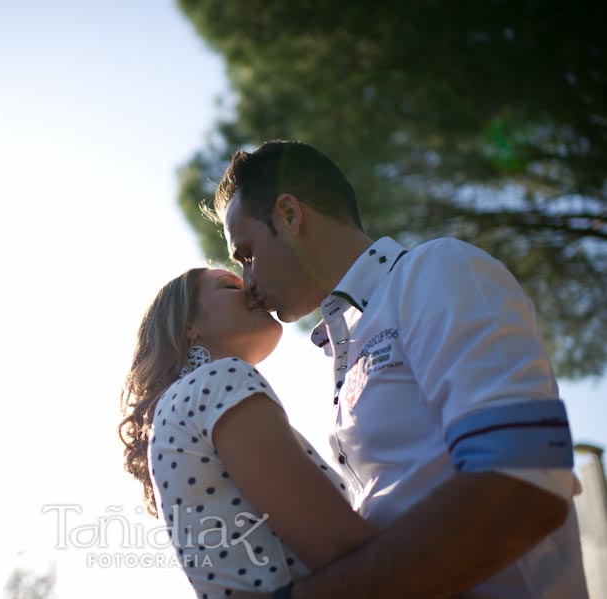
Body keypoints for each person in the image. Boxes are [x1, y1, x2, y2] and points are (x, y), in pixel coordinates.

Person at [212, 141, 588, 598]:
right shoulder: (343, 350)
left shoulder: (439, 270)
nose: (247, 282)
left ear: (290, 215)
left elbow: (523, 485)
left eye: (247, 254)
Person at [119, 267, 378, 598]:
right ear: (188, 326)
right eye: (229, 285)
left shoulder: (180, 406)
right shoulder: (218, 380)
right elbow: (340, 548)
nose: (253, 290)